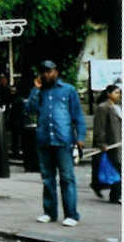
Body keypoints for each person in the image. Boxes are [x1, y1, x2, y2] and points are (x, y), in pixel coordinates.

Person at [25, 59, 86, 227]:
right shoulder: (40, 91)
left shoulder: (68, 90)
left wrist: (80, 137)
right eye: (44, 71)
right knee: (47, 179)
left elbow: (77, 116)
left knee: (67, 178)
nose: (46, 74)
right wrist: (35, 90)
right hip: (44, 140)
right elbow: (30, 109)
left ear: (56, 72)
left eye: (49, 71)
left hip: (63, 140)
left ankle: (71, 214)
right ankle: (50, 212)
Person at [91, 84, 122, 204]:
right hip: (109, 144)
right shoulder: (103, 107)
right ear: (108, 93)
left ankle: (100, 187)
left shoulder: (117, 107)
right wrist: (101, 142)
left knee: (115, 169)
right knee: (117, 169)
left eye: (119, 93)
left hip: (118, 143)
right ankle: (115, 195)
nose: (118, 95)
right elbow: (99, 127)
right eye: (116, 92)